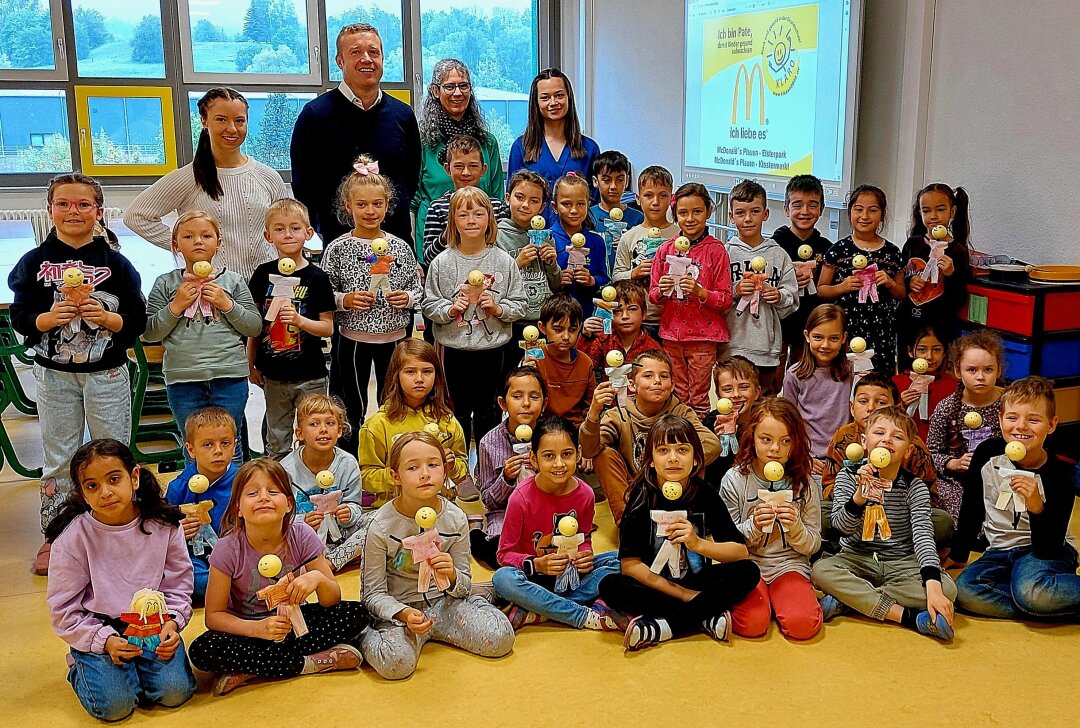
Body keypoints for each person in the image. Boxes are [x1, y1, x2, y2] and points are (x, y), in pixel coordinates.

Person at [8, 173, 147, 574]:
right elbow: (21, 316)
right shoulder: (33, 263)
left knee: (113, 450)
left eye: (84, 204)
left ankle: (120, 528)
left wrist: (109, 318)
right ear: (49, 210)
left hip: (106, 373)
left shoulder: (116, 264)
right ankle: (58, 534)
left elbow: (136, 320)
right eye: (64, 204)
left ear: (98, 211)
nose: (73, 211)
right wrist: (46, 319)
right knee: (59, 455)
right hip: (54, 375)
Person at [188, 459, 368, 696]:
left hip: (295, 625)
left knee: (356, 613)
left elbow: (332, 600)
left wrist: (318, 579)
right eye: (252, 493)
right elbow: (214, 617)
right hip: (248, 631)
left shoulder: (301, 534)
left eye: (273, 491)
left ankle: (256, 667)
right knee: (202, 650)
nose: (263, 497)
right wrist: (258, 629)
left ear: (288, 504)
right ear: (238, 509)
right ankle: (312, 662)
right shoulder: (227, 548)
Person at [45, 439, 197, 721]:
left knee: (175, 692)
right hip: (101, 628)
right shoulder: (72, 540)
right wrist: (104, 641)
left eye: (114, 479)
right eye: (92, 486)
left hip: (152, 623)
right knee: (116, 707)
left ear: (134, 477)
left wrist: (172, 623)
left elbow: (178, 585)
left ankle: (134, 669)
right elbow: (64, 610)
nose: (105, 492)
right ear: (82, 494)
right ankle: (80, 666)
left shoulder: (164, 525)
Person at [598, 415, 760, 651]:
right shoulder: (642, 494)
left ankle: (664, 627)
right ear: (651, 460)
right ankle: (704, 615)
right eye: (663, 450)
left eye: (682, 450)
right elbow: (630, 565)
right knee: (610, 586)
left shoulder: (704, 493)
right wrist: (685, 596)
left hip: (696, 579)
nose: (673, 458)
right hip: (656, 583)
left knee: (749, 572)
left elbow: (740, 552)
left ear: (695, 459)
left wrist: (698, 544)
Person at [362, 432, 514, 678]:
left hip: (446, 604)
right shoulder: (380, 526)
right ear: (395, 476)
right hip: (403, 612)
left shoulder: (455, 519)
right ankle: (363, 634)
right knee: (396, 665)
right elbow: (372, 594)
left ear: (445, 469)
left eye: (433, 465)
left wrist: (453, 576)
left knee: (500, 639)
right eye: (412, 467)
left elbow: (463, 583)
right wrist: (402, 613)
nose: (425, 474)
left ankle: (482, 598)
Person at [812, 407, 958, 641]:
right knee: (821, 571)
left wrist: (933, 586)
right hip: (856, 558)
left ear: (908, 450)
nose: (887, 440)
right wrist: (859, 497)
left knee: (948, 590)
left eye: (897, 437)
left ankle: (851, 600)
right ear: (864, 441)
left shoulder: (914, 487)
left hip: (901, 562)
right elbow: (841, 527)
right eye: (879, 433)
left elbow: (923, 536)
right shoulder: (847, 477)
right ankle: (907, 617)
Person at [946, 377, 1080, 620]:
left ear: (1051, 425)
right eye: (1012, 417)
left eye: (1034, 419)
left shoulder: (1059, 477)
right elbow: (973, 506)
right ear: (1000, 420)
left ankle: (1036, 599)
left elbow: (1049, 548)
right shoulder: (987, 454)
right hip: (1000, 550)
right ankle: (1040, 605)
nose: (1021, 426)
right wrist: (958, 553)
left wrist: (1037, 506)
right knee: (964, 591)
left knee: (1031, 590)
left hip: (1045, 551)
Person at [125, 88, 288, 279]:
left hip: (264, 287)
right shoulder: (189, 177)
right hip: (213, 287)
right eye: (221, 119)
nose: (232, 129)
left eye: (239, 120)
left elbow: (284, 227)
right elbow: (137, 216)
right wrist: (184, 245)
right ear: (204, 121)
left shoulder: (267, 176)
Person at [321, 154, 422, 455]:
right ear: (347, 206)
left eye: (377, 204)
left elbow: (417, 288)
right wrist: (345, 300)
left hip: (395, 339)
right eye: (361, 204)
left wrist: (408, 298)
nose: (370, 211)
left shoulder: (400, 246)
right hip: (353, 340)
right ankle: (351, 461)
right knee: (351, 404)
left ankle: (396, 458)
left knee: (393, 402)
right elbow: (323, 293)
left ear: (387, 205)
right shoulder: (338, 248)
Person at [145, 211, 263, 465]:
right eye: (188, 236)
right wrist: (175, 306)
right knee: (195, 445)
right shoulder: (165, 283)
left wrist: (227, 304)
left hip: (229, 375)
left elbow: (254, 326)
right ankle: (199, 501)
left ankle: (233, 501)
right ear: (176, 244)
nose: (198, 241)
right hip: (183, 377)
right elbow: (150, 332)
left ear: (218, 242)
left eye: (206, 235)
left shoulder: (232, 281)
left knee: (230, 443)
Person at [290, 23, 420, 246]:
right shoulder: (315, 116)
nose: (367, 59)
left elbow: (410, 179)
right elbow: (304, 185)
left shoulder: (403, 115)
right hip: (338, 245)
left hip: (395, 244)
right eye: (356, 52)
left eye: (373, 52)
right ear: (339, 61)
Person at [492, 417, 624, 631]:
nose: (559, 464)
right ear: (533, 459)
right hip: (535, 578)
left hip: (571, 576)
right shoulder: (520, 498)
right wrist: (538, 564)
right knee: (503, 579)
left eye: (567, 454)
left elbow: (584, 538)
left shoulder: (585, 494)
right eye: (549, 456)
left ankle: (540, 609)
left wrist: (585, 554)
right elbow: (504, 554)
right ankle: (579, 614)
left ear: (578, 454)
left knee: (624, 559)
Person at [422, 187, 527, 447]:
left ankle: (487, 466)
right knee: (454, 411)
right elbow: (428, 304)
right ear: (453, 221)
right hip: (453, 349)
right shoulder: (441, 263)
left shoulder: (503, 261)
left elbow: (520, 304)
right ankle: (457, 471)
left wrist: (498, 308)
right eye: (464, 215)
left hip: (493, 349)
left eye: (479, 214)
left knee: (489, 411)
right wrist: (450, 309)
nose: (471, 221)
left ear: (489, 220)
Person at [720, 398, 823, 640]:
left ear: (795, 443)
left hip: (789, 565)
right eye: (766, 439)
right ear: (752, 438)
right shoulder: (735, 479)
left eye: (785, 441)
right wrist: (753, 526)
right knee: (751, 625)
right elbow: (727, 544)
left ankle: (786, 601)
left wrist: (796, 528)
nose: (775, 449)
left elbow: (813, 544)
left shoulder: (805, 484)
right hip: (746, 564)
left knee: (803, 627)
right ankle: (768, 604)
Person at [581, 349, 720, 524]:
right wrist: (594, 413)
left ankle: (686, 517)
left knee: (694, 449)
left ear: (672, 385)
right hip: (633, 492)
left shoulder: (681, 412)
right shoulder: (618, 415)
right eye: (648, 376)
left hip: (670, 484)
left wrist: (663, 466)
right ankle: (628, 522)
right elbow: (589, 450)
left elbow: (713, 445)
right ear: (632, 385)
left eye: (664, 376)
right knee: (603, 454)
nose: (657, 381)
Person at [247, 199, 335, 459]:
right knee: (277, 438)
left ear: (308, 234)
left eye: (295, 228)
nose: (288, 235)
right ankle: (277, 487)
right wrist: (250, 364)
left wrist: (299, 321)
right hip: (273, 376)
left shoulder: (318, 278)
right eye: (280, 229)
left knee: (315, 435)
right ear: (268, 235)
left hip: (311, 375)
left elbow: (327, 327)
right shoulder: (262, 275)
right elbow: (255, 327)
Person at [819, 372, 949, 547]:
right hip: (855, 509)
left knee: (942, 521)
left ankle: (899, 546)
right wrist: (857, 496)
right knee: (818, 512)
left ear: (896, 407)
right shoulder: (844, 436)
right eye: (863, 401)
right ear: (852, 407)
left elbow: (928, 490)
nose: (871, 408)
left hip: (900, 515)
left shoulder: (912, 444)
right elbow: (829, 482)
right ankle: (847, 544)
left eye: (881, 402)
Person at [649, 183, 733, 417]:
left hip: (704, 336)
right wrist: (662, 289)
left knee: (698, 395)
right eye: (683, 213)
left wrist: (700, 292)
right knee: (676, 392)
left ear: (708, 212)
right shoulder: (665, 249)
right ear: (675, 214)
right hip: (672, 334)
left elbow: (726, 299)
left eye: (697, 211)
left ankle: (700, 439)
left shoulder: (716, 250)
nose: (690, 218)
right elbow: (653, 296)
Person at [358, 339, 470, 508]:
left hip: (441, 508)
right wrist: (402, 474)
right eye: (410, 372)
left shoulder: (447, 421)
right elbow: (366, 477)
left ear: (437, 375)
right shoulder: (377, 425)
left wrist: (452, 466)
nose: (419, 379)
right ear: (396, 375)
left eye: (427, 371)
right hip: (395, 510)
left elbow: (462, 467)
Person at [414, 58, 505, 258]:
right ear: (435, 91)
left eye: (463, 86)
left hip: (483, 247)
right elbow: (413, 199)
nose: (458, 93)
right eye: (449, 87)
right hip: (434, 246)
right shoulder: (422, 142)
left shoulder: (487, 142)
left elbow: (497, 195)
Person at [818, 185, 905, 373]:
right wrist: (842, 287)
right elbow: (822, 290)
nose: (865, 216)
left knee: (879, 382)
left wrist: (890, 283)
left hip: (882, 330)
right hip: (846, 328)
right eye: (858, 209)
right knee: (844, 378)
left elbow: (901, 293)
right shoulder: (837, 250)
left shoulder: (892, 253)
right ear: (850, 212)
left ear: (882, 215)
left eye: (872, 210)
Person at [724, 179, 798, 392]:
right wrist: (736, 290)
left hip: (766, 348)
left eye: (755, 211)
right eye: (740, 213)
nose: (748, 219)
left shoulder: (778, 254)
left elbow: (791, 299)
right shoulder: (725, 253)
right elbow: (716, 296)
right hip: (732, 345)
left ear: (765, 214)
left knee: (764, 398)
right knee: (732, 396)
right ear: (731, 217)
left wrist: (779, 296)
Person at [927, 330, 1006, 522]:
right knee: (958, 518)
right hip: (957, 482)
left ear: (999, 370)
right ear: (957, 371)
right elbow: (931, 452)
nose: (980, 377)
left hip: (1000, 478)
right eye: (972, 370)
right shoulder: (946, 407)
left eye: (988, 370)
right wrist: (952, 463)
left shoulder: (1008, 404)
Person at [281, 394, 367, 572]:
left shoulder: (348, 463)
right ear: (300, 433)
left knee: (377, 523)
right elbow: (282, 517)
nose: (323, 430)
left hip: (343, 537)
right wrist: (302, 521)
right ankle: (318, 561)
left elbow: (356, 506)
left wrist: (349, 511)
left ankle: (330, 562)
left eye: (330, 423)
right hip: (305, 540)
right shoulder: (286, 470)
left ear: (340, 431)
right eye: (314, 424)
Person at [472, 366, 547, 570]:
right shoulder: (489, 443)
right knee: (500, 554)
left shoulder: (552, 437)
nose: (526, 404)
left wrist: (544, 473)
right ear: (503, 403)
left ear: (544, 403)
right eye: (517, 396)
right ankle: (477, 535)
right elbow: (488, 500)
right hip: (504, 512)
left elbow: (568, 484)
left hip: (546, 510)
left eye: (534, 396)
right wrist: (505, 478)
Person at [165, 407, 240, 600]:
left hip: (238, 554)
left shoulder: (245, 481)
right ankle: (231, 589)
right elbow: (163, 531)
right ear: (191, 449)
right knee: (193, 579)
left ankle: (232, 588)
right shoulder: (178, 488)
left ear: (234, 445)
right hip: (197, 557)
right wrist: (177, 530)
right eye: (208, 445)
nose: (218, 451)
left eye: (225, 443)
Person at [897, 183, 973, 363]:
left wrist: (951, 274)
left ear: (952, 212)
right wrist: (909, 282)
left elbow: (959, 298)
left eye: (940, 209)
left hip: (940, 324)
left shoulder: (958, 252)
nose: (933, 216)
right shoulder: (912, 244)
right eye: (926, 211)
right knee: (907, 368)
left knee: (935, 370)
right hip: (908, 321)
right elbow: (898, 278)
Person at [496, 169, 562, 373]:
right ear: (508, 198)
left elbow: (556, 284)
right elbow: (494, 283)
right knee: (512, 374)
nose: (526, 205)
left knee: (541, 373)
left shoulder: (547, 237)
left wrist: (552, 263)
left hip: (541, 320)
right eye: (519, 197)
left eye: (534, 201)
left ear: (542, 207)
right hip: (512, 322)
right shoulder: (497, 235)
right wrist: (517, 263)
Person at [507, 68, 599, 215]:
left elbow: (595, 201)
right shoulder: (521, 147)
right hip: (533, 234)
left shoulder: (589, 148)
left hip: (577, 235)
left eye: (559, 95)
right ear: (536, 103)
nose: (553, 102)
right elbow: (514, 200)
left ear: (569, 97)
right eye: (545, 97)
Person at [780, 304, 853, 476]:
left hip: (847, 458)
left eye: (833, 338)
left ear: (844, 338)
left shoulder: (854, 372)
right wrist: (802, 457)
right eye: (818, 337)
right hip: (809, 460)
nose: (825, 345)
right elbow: (787, 421)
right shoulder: (794, 374)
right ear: (807, 336)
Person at [422, 134, 510, 266]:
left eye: (473, 166)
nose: (466, 172)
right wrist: (448, 234)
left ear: (483, 169)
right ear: (447, 169)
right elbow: (428, 258)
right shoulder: (437, 207)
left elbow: (505, 249)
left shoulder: (496, 206)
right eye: (458, 166)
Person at [612, 165, 679, 337]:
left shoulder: (679, 236)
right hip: (639, 321)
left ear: (671, 199)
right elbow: (615, 278)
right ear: (638, 198)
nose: (655, 202)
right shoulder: (629, 237)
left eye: (662, 196)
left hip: (673, 320)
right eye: (648, 195)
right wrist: (634, 273)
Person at [772, 174, 832, 365]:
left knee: (803, 373)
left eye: (813, 205)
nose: (804, 211)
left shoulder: (827, 248)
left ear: (821, 209)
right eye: (797, 205)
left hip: (810, 323)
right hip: (779, 322)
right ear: (786, 209)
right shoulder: (775, 245)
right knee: (775, 374)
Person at [528, 294, 595, 427]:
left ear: (580, 327)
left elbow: (590, 406)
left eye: (573, 330)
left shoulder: (585, 362)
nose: (566, 336)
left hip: (574, 430)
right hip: (541, 428)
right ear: (542, 327)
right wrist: (526, 375)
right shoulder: (533, 360)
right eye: (558, 329)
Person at [577, 279, 660, 384]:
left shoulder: (653, 348)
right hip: (607, 398)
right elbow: (583, 370)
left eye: (632, 309)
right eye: (617, 311)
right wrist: (586, 337)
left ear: (644, 313)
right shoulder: (603, 340)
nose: (625, 316)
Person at [549, 172, 608, 316]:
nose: (574, 210)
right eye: (566, 204)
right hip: (553, 315)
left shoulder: (597, 241)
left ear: (588, 205)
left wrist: (591, 280)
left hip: (586, 314)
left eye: (580, 204)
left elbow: (604, 278)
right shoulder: (547, 239)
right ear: (554, 206)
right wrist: (557, 279)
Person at [702, 356, 763, 486]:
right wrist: (716, 443)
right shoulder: (711, 423)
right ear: (718, 394)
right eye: (727, 389)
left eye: (744, 387)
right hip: (719, 488)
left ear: (757, 392)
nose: (735, 394)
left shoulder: (763, 421)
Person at [893, 325, 958, 442]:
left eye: (936, 350)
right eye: (922, 350)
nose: (929, 356)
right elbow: (883, 420)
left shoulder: (954, 385)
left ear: (944, 352)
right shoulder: (896, 383)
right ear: (910, 352)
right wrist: (901, 406)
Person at [589, 150, 645, 270]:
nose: (613, 186)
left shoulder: (637, 218)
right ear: (595, 181)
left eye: (619, 180)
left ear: (627, 181)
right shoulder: (588, 216)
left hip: (628, 283)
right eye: (607, 180)